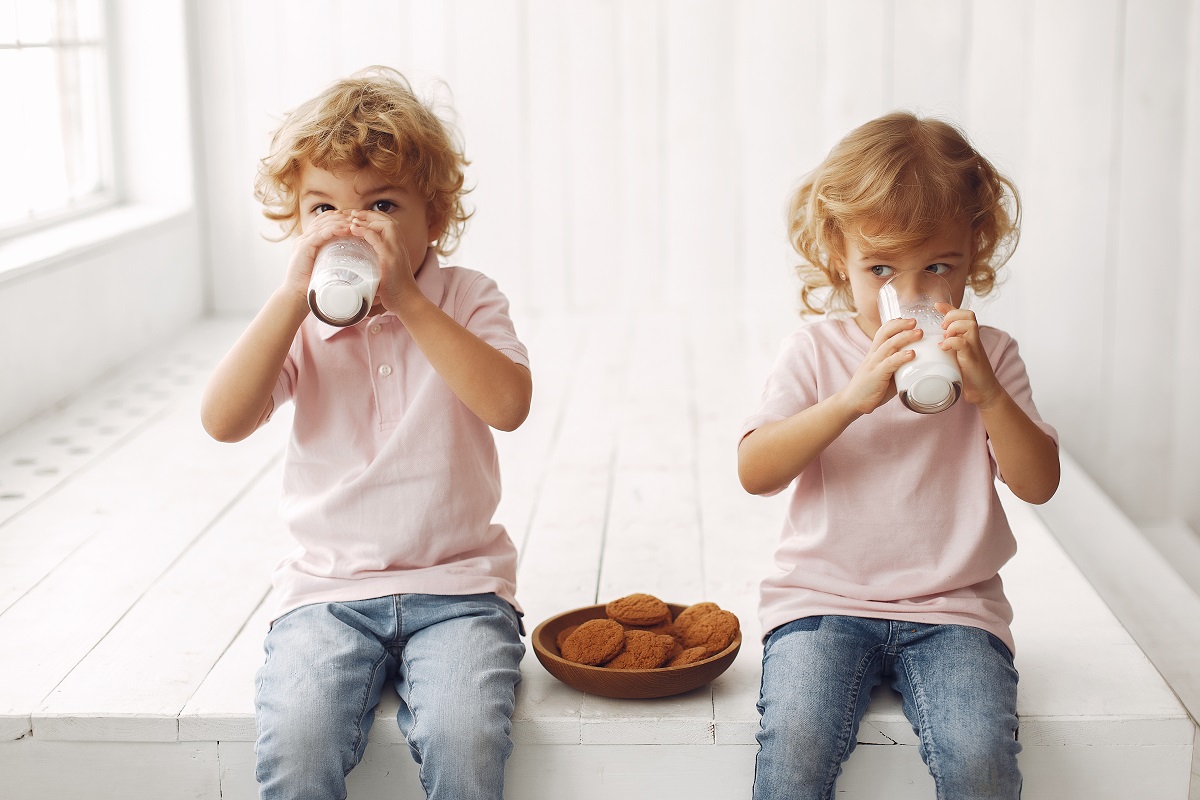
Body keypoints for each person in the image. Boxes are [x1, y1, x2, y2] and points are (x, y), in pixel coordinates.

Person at [200, 66, 533, 800]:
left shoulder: (466, 298)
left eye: (382, 204)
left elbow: (508, 405)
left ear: (434, 220)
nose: (350, 228)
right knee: (298, 739)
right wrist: (291, 298)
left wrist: (409, 299)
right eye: (322, 208)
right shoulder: (300, 319)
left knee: (464, 734)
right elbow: (222, 421)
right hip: (326, 590)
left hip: (459, 587)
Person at [737, 111, 1060, 799]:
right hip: (822, 600)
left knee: (980, 759)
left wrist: (990, 398)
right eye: (881, 269)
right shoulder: (816, 352)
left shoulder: (992, 356)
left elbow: (1038, 485)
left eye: (937, 268)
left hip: (954, 611)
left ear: (977, 250)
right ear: (837, 255)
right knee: (793, 746)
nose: (911, 297)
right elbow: (756, 470)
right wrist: (849, 401)